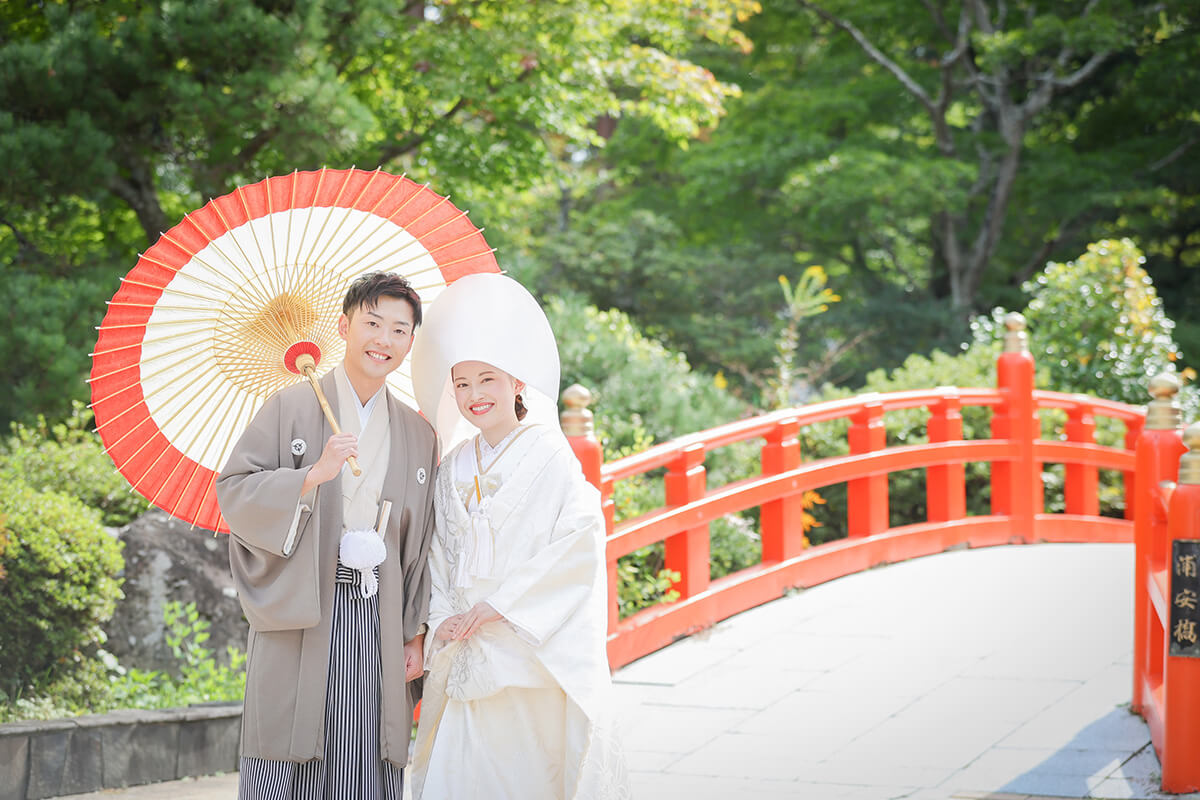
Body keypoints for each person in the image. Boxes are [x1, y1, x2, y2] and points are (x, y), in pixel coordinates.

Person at [216, 271, 438, 800]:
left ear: (411, 342)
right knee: (293, 736)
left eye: (400, 330)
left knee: (367, 744)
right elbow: (234, 491)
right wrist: (311, 475)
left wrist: (415, 631)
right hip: (305, 602)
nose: (383, 340)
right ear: (344, 325)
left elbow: (421, 540)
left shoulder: (417, 430)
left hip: (379, 611)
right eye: (373, 322)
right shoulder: (289, 407)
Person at [408, 273, 631, 800]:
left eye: (487, 380)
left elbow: (579, 540)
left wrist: (500, 607)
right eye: (461, 384)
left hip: (525, 648)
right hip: (463, 643)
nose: (473, 395)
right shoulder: (454, 464)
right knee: (459, 773)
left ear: (516, 383)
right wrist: (442, 622)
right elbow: (439, 556)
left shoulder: (552, 456)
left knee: (523, 774)